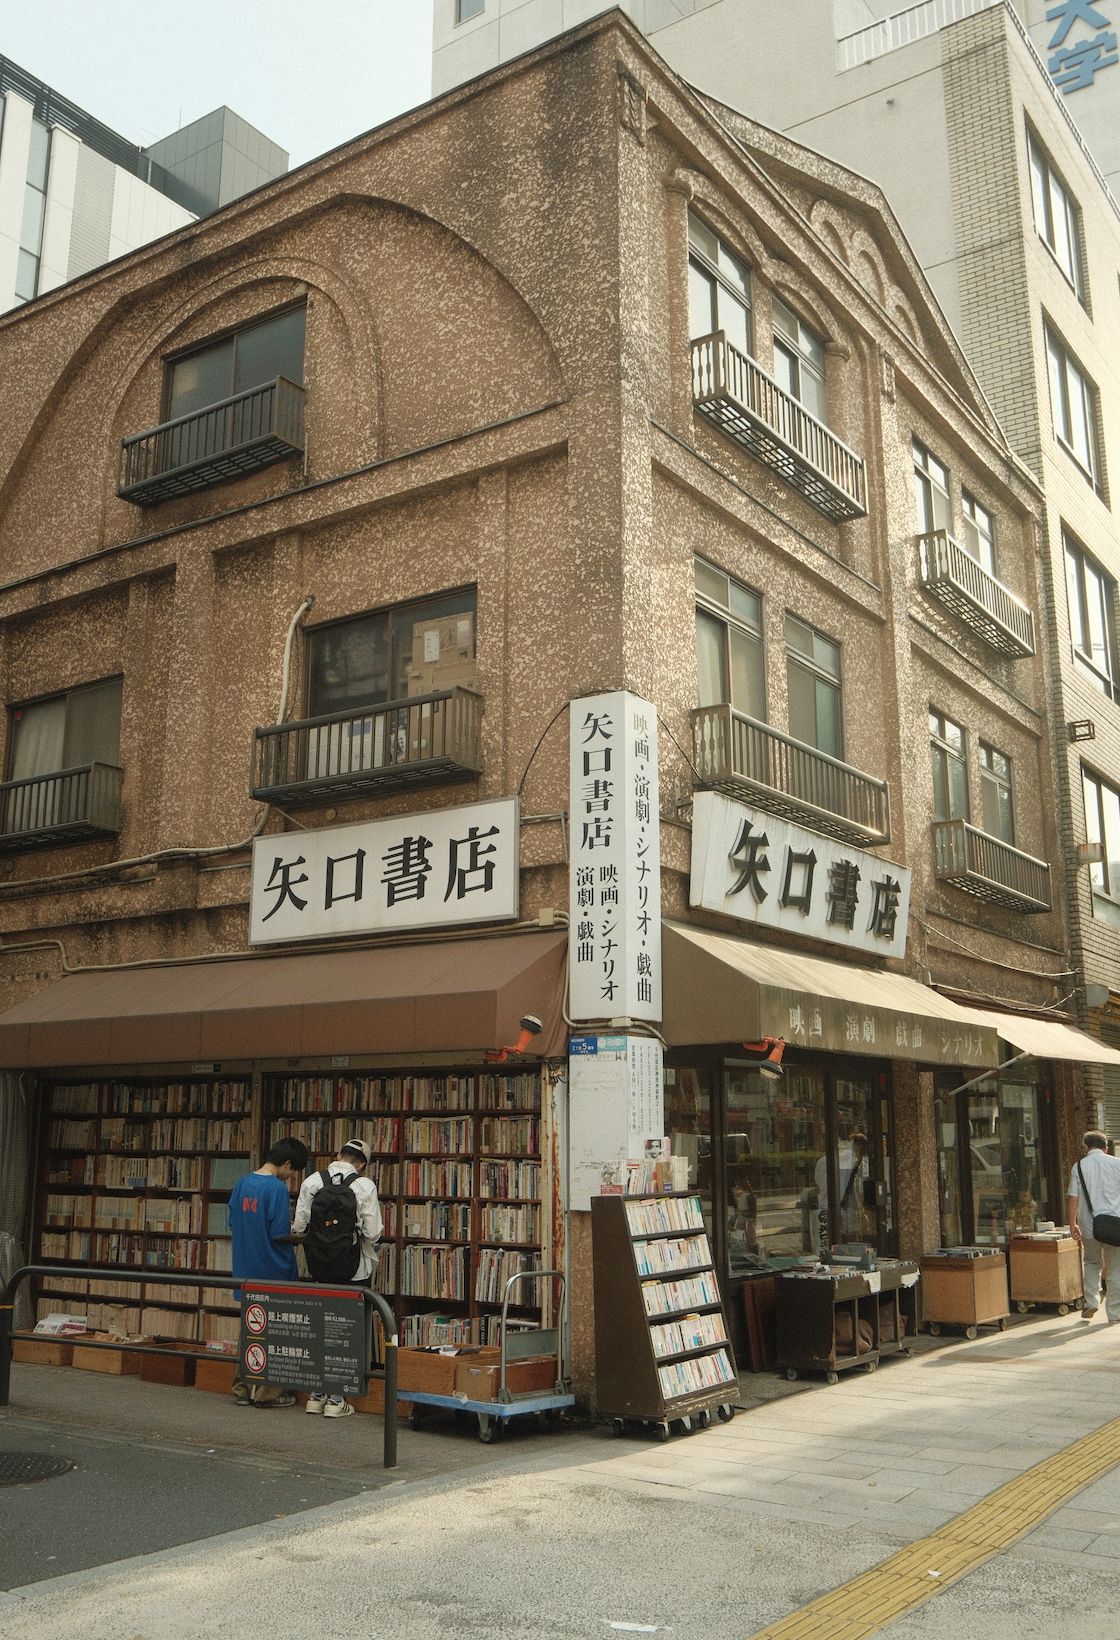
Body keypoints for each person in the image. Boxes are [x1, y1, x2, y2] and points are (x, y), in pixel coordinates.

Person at [293, 1138, 382, 1418]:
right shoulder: (364, 1185)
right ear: (363, 1165)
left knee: (322, 1327)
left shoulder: (311, 1182)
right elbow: (373, 1233)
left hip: (321, 1268)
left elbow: (299, 1227)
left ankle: (315, 1395)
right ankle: (337, 1398)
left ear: (337, 1155)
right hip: (355, 1269)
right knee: (349, 1331)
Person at [228, 1135, 309, 1407]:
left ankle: (242, 1389)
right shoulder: (275, 1188)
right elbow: (278, 1233)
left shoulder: (242, 1183)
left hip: (245, 1270)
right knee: (276, 1333)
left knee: (249, 1331)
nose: (291, 1177)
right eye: (293, 1171)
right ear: (286, 1163)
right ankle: (268, 1394)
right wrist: (300, 1236)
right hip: (274, 1270)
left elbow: (232, 1222)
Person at [1068, 1130, 1120, 1323]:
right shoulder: (1117, 1163)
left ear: (1086, 1147)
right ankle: (1115, 1313)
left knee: (1091, 1262)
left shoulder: (1079, 1166)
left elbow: (1073, 1197)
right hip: (1115, 1225)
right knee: (1116, 1269)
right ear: (1106, 1148)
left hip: (1089, 1225)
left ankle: (1092, 1301)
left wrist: (1072, 1223)